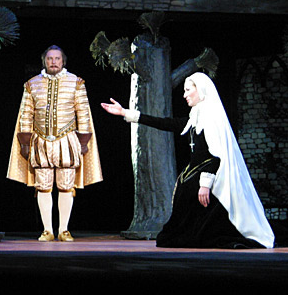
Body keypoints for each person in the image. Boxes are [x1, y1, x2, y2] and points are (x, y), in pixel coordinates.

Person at [101, 72, 275, 249]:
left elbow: (216, 154)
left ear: (201, 90)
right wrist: (125, 113)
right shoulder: (196, 116)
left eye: (188, 90)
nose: (184, 95)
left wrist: (205, 184)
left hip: (214, 176)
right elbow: (166, 123)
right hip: (196, 173)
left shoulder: (212, 117)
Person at [7, 45, 103, 241]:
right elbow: (26, 114)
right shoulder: (32, 84)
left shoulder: (76, 82)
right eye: (50, 58)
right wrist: (24, 142)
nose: (53, 62)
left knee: (66, 185)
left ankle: (64, 230)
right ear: (44, 61)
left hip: (67, 140)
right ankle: (47, 230)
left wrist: (84, 140)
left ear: (63, 61)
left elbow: (83, 113)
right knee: (43, 186)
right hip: (40, 141)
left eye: (57, 58)